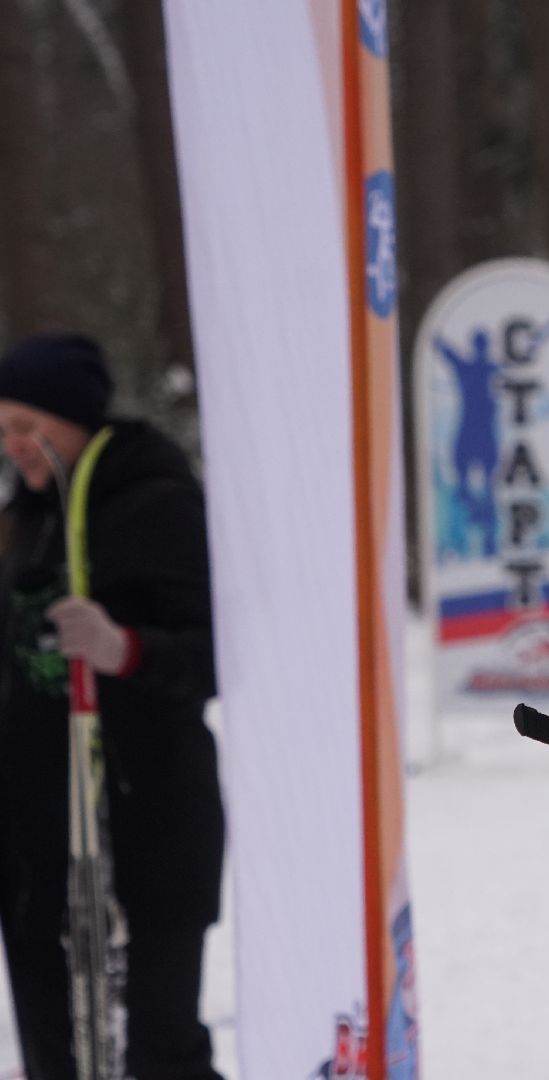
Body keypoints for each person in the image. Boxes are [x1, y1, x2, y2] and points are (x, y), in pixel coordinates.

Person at [0, 333, 224, 1079]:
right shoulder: (20, 519)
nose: (15, 447)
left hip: (148, 819)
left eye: (28, 427)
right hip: (35, 840)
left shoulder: (156, 501)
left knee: (159, 1050)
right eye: (2, 430)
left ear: (76, 419)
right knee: (55, 1053)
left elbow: (215, 655)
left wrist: (124, 648)